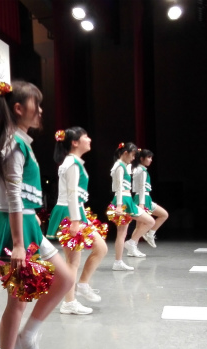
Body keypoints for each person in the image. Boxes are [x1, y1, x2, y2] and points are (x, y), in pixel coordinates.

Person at [0, 80, 74, 349]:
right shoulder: (12, 145)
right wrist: (18, 244)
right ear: (18, 108)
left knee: (65, 279)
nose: (41, 110)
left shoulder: (20, 141)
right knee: (17, 302)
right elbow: (14, 197)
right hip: (16, 229)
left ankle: (28, 336)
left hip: (29, 224)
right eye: (37, 104)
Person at [45, 127, 107, 314]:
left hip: (75, 211)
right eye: (85, 137)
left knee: (92, 252)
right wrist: (74, 221)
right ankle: (71, 299)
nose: (89, 139)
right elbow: (71, 194)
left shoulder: (73, 162)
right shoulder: (71, 163)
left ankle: (80, 288)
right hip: (70, 213)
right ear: (74, 142)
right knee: (74, 261)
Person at [110, 142, 155, 270]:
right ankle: (118, 261)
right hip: (123, 201)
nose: (134, 158)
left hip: (127, 200)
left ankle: (130, 244)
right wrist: (119, 206)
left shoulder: (123, 165)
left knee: (150, 221)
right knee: (121, 233)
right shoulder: (119, 166)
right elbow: (119, 187)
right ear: (125, 153)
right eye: (133, 155)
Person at [132, 149, 169, 248]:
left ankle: (150, 234)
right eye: (148, 157)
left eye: (151, 157)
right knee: (139, 226)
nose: (151, 160)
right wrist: (141, 204)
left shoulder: (139, 169)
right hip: (142, 198)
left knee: (164, 215)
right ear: (141, 158)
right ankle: (132, 246)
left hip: (146, 198)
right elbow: (141, 188)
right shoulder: (141, 170)